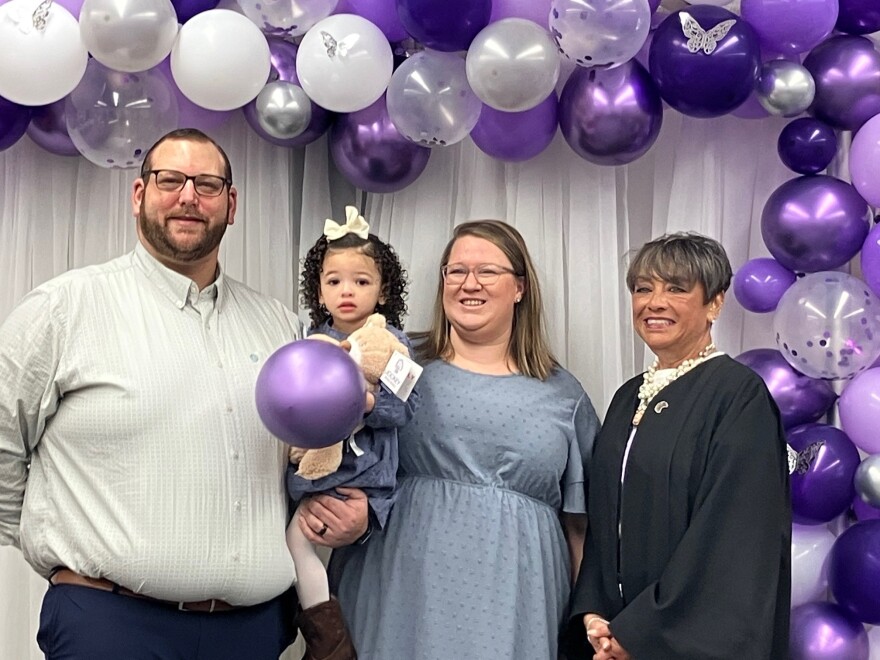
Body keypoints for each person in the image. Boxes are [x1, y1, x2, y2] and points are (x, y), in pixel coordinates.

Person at [0, 128, 306, 659]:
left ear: (231, 206)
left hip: (252, 633)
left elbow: (298, 460)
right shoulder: (64, 308)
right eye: (170, 180)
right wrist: (50, 542)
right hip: (111, 627)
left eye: (208, 185)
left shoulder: (278, 325)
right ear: (139, 195)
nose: (189, 196)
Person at [324, 219, 600, 659]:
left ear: (520, 288)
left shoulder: (564, 396)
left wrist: (586, 628)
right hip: (397, 595)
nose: (469, 284)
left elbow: (581, 529)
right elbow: (339, 458)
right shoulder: (395, 365)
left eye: (487, 271)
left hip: (516, 611)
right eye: (456, 271)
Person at [567, 232, 791, 660]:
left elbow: (730, 539)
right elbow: (603, 517)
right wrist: (594, 614)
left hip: (685, 642)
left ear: (715, 303)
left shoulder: (738, 396)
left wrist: (642, 634)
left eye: (675, 288)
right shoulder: (627, 397)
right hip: (614, 635)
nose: (654, 302)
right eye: (643, 289)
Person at [286, 205, 418, 660]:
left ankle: (331, 643)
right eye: (335, 281)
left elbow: (405, 408)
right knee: (296, 542)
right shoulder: (309, 341)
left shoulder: (396, 344)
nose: (348, 291)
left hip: (363, 476)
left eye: (362, 281)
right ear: (319, 290)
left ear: (383, 291)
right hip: (314, 472)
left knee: (325, 550)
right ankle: (323, 635)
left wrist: (365, 402)